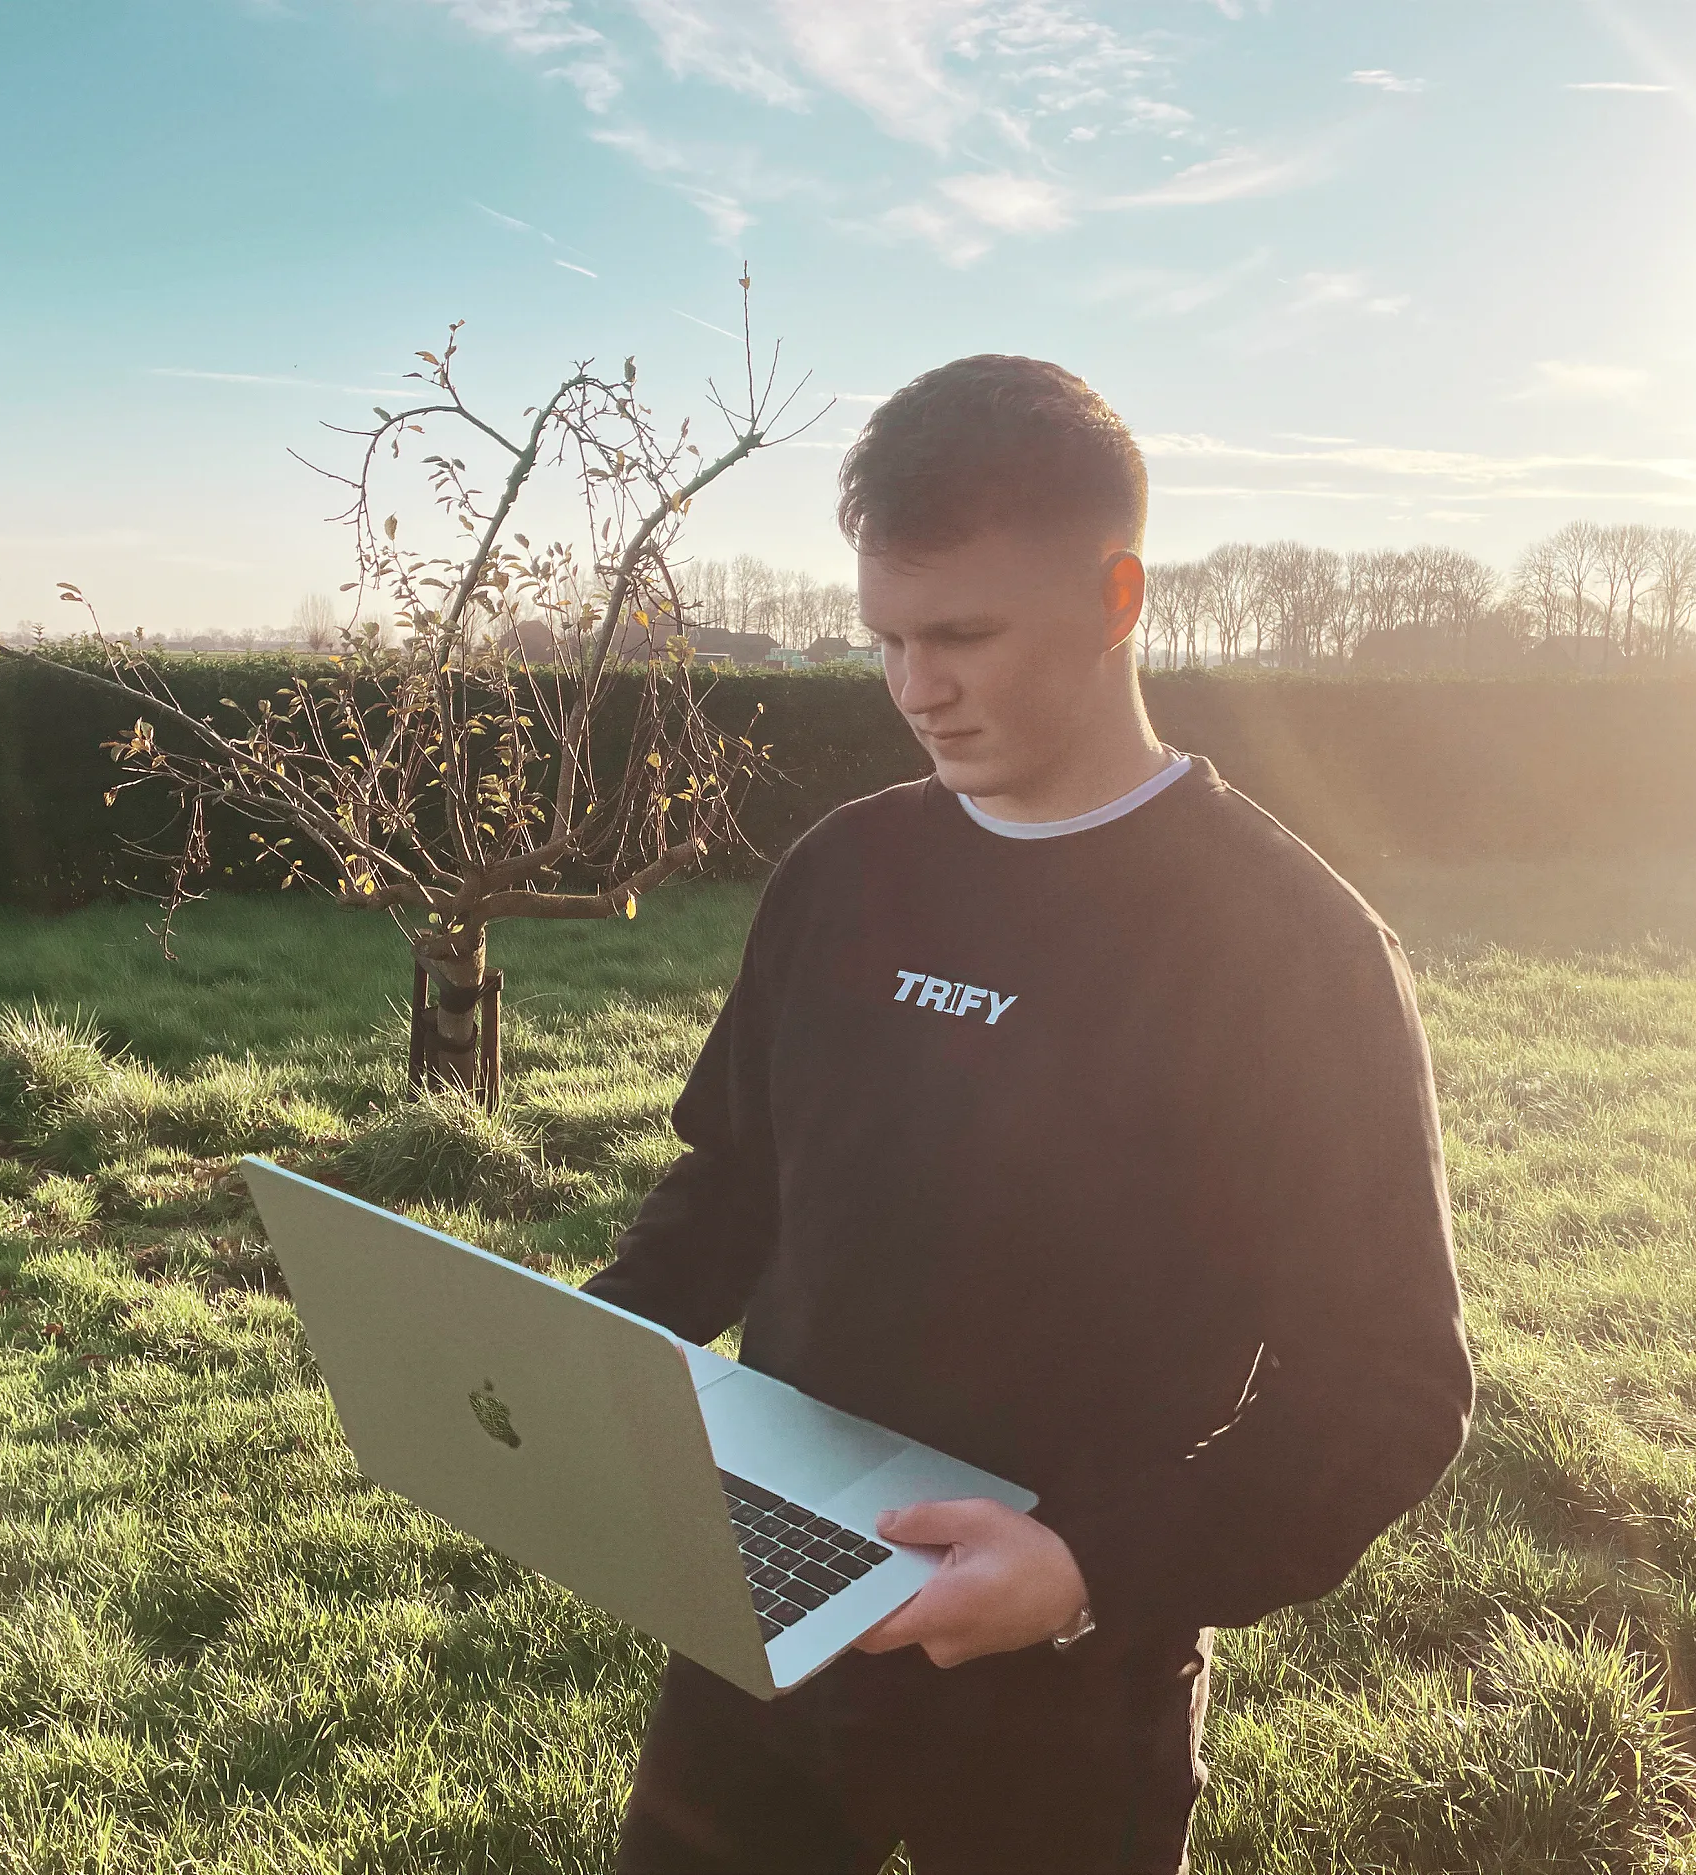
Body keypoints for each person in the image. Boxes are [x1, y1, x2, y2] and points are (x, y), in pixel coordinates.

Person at [583, 354, 1474, 1874]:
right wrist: (583, 1353)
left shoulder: (1294, 952)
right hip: (771, 1607)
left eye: (964, 636)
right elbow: (732, 1180)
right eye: (884, 639)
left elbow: (1388, 1389)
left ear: (1120, 597)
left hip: (1072, 1692)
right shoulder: (844, 873)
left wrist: (1080, 1566)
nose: (914, 688)